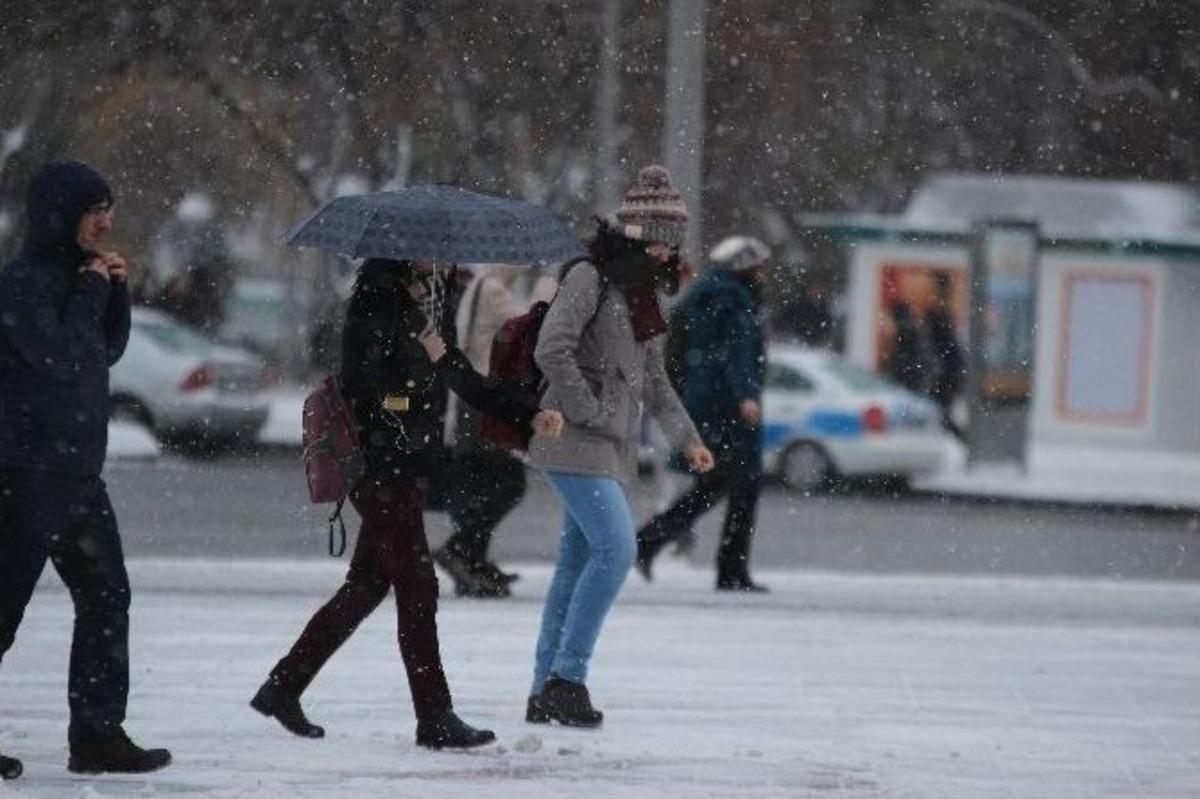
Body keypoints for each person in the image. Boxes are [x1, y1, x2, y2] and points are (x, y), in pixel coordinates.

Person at [251, 258, 502, 751]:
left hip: (406, 465)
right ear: (409, 251)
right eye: (436, 250)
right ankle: (434, 715)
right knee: (419, 585)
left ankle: (283, 686)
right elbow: (365, 388)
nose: (446, 260)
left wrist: (525, 413)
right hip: (380, 465)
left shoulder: (432, 300)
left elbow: (455, 378)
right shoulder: (378, 298)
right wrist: (406, 407)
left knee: (368, 583)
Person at [524, 165, 714, 728]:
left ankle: (543, 689)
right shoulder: (590, 277)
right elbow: (550, 348)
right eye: (661, 241)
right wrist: (590, 411)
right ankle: (567, 678)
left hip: (609, 446)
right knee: (617, 551)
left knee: (576, 562)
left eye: (673, 244)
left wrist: (689, 439)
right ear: (636, 235)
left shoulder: (640, 293)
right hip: (571, 437)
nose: (668, 254)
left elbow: (654, 381)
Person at [0, 160, 172, 777]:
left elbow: (105, 351)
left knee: (105, 597)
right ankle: (97, 733)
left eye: (109, 209)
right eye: (94, 209)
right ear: (61, 213)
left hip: (74, 470)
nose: (105, 221)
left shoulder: (78, 275)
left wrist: (114, 290)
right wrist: (96, 288)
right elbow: (61, 358)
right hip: (23, 470)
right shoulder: (21, 281)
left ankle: (97, 735)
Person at [637, 235, 773, 592]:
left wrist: (684, 394)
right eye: (758, 267)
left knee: (718, 483)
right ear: (744, 268)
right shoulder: (735, 301)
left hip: (704, 403)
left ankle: (654, 542)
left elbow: (678, 354)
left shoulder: (701, 296)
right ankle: (727, 569)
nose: (763, 275)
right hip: (728, 407)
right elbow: (738, 351)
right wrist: (746, 395)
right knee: (737, 483)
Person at [431, 267, 538, 598]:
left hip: (473, 401)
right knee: (509, 482)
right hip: (486, 403)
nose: (527, 266)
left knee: (484, 483)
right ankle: (460, 550)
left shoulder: (477, 289)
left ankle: (473, 562)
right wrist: (546, 286)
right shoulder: (492, 290)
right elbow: (534, 327)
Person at [926, 273, 966, 441]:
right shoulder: (943, 314)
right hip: (948, 371)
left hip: (945, 372)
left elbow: (943, 346)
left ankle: (962, 438)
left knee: (941, 410)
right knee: (942, 410)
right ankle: (959, 437)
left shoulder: (937, 316)